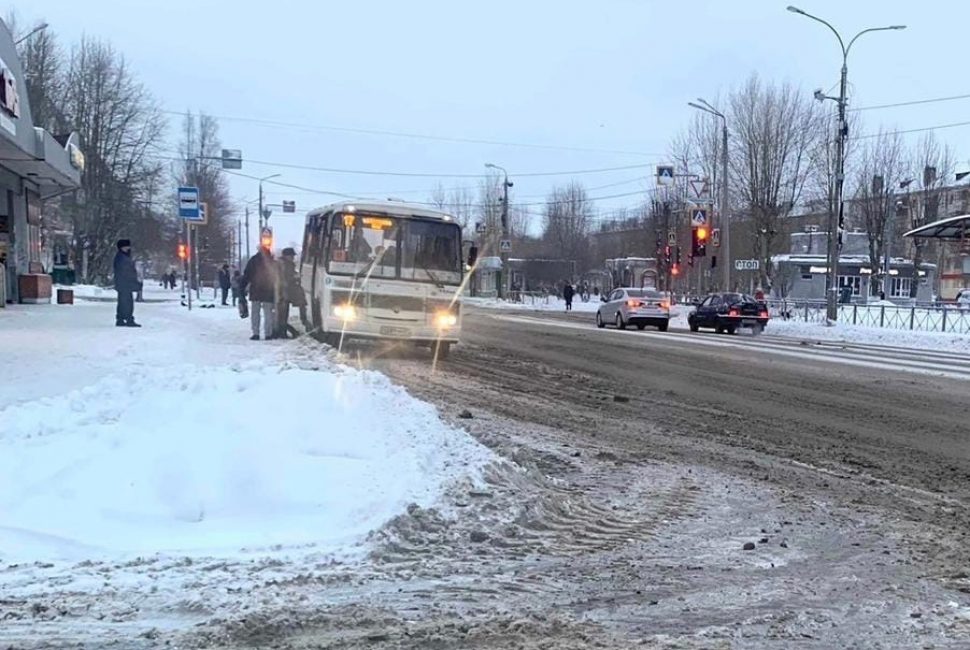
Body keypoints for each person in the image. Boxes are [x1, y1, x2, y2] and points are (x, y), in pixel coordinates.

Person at [241, 242, 278, 340]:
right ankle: (268, 334)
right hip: (268, 291)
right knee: (268, 313)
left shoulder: (253, 261)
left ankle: (256, 333)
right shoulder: (272, 261)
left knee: (255, 313)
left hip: (256, 290)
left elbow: (246, 275)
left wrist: (242, 288)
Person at [276, 248, 308, 338]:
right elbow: (287, 278)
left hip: (281, 291)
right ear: (287, 256)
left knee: (282, 314)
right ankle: (283, 333)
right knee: (283, 315)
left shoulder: (280, 264)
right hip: (284, 292)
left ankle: (283, 332)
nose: (293, 258)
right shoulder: (287, 265)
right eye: (292, 256)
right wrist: (296, 277)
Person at [113, 239, 141, 327]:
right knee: (127, 302)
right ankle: (129, 319)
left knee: (122, 301)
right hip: (125, 284)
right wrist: (134, 281)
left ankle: (120, 319)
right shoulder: (123, 258)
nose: (129, 248)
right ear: (122, 247)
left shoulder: (121, 257)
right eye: (127, 246)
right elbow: (127, 272)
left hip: (122, 283)